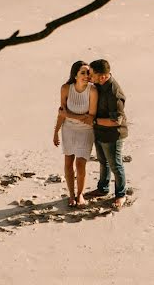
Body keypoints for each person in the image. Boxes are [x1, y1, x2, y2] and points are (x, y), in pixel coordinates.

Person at [53, 61, 98, 207]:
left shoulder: (92, 91)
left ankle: (80, 195)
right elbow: (61, 113)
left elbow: (90, 118)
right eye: (83, 73)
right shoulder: (66, 88)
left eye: (88, 73)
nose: (86, 76)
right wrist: (55, 132)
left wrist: (69, 115)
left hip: (86, 130)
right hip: (68, 130)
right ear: (75, 75)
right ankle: (71, 194)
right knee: (68, 161)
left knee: (80, 164)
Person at [89, 58, 128, 209]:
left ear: (102, 76)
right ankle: (103, 188)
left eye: (92, 75)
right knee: (103, 162)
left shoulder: (114, 93)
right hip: (100, 132)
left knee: (115, 165)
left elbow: (116, 121)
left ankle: (121, 195)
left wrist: (93, 122)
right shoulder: (99, 84)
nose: (90, 77)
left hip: (113, 135)